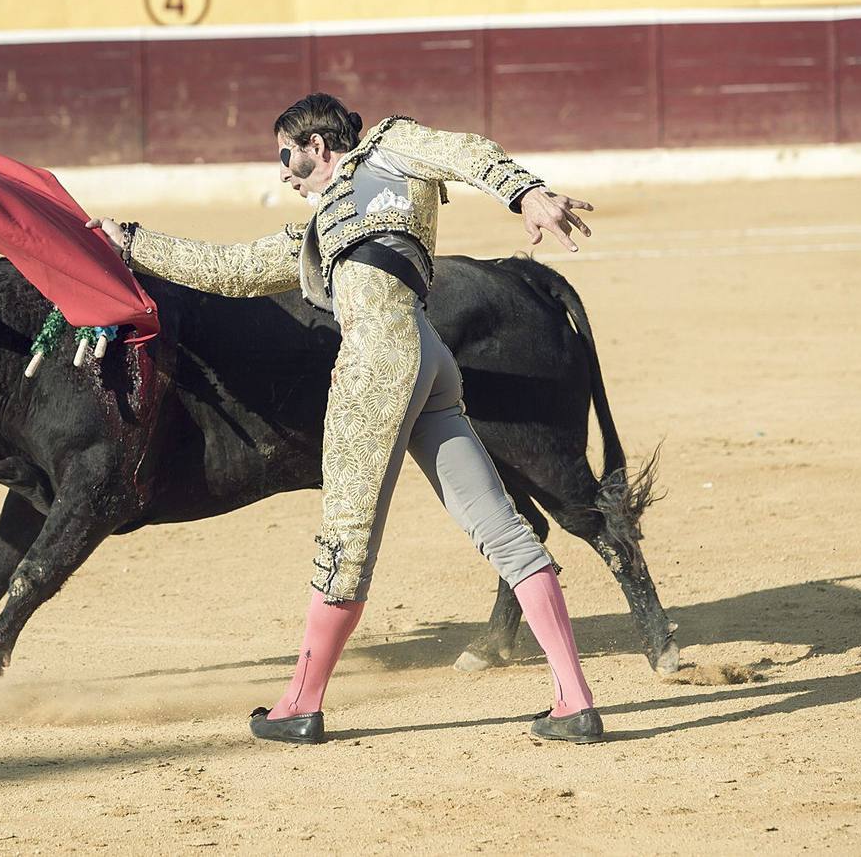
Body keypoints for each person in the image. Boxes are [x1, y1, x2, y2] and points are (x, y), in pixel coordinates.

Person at [87, 93, 603, 745]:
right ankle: (573, 701)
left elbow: (467, 153)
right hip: (427, 357)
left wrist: (525, 193)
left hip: (376, 366)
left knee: (346, 538)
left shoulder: (392, 146)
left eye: (285, 156)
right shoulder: (318, 227)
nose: (281, 172)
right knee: (500, 531)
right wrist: (133, 242)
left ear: (316, 147)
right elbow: (232, 270)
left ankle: (300, 704)